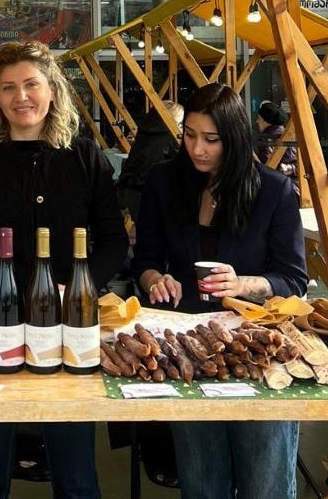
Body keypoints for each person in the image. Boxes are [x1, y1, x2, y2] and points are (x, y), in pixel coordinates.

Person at [0, 40, 128, 499]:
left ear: (52, 90)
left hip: (65, 326)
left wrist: (78, 289)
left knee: (76, 473)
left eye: (31, 84)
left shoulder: (84, 158)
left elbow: (114, 240)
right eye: (8, 88)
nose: (22, 96)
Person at [132, 83, 308, 499]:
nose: (197, 149)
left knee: (265, 478)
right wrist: (157, 280)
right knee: (201, 477)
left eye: (211, 140)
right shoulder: (164, 183)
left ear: (235, 137)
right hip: (188, 344)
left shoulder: (273, 191)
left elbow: (294, 279)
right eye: (189, 135)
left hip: (257, 349)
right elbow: (144, 261)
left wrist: (244, 283)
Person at [117, 101, 184, 219]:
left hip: (133, 192)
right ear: (172, 122)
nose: (181, 129)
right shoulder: (170, 139)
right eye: (180, 124)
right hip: (157, 196)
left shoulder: (144, 133)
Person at [255, 100, 298, 180]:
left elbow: (266, 167)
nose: (257, 121)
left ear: (266, 121)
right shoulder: (291, 136)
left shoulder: (266, 140)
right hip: (297, 187)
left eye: (259, 118)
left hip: (278, 185)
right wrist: (292, 168)